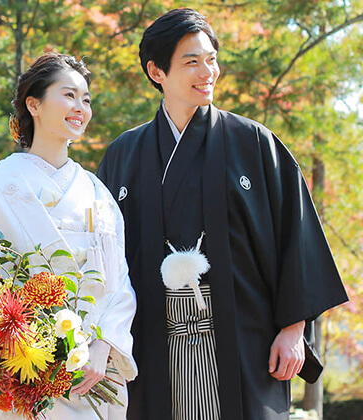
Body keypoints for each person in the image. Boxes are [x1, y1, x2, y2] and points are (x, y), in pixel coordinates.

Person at [97, 8, 348, 420]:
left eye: (211, 59)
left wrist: (293, 329)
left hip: (242, 335)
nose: (207, 71)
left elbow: (295, 234)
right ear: (156, 71)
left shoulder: (253, 142)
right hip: (153, 339)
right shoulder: (125, 153)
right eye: (191, 62)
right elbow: (103, 256)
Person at [0, 52, 137, 420]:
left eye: (86, 99)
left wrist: (103, 345)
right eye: (69, 95)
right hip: (17, 373)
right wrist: (9, 339)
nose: (80, 107)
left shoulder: (97, 194)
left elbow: (119, 284)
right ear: (33, 104)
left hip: (91, 376)